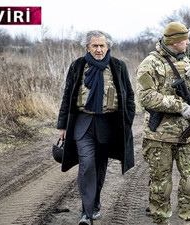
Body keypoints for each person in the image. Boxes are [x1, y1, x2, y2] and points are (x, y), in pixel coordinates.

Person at [136, 22, 190, 225]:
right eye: (185, 39)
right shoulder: (151, 63)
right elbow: (145, 97)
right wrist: (178, 106)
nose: (189, 42)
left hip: (189, 136)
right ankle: (161, 220)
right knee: (161, 187)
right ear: (174, 42)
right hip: (160, 137)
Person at [56, 30, 135, 225]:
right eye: (95, 46)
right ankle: (87, 213)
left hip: (108, 125)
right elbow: (68, 96)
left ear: (108, 47)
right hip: (82, 123)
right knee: (86, 165)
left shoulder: (118, 66)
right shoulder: (77, 66)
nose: (99, 49)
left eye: (102, 46)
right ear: (87, 48)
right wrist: (62, 125)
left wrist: (127, 121)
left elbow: (130, 97)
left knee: (100, 168)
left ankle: (95, 203)